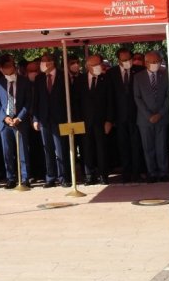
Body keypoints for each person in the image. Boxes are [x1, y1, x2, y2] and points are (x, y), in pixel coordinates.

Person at [73, 54, 113, 185]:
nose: (98, 67)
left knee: (102, 149)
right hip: (84, 121)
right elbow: (76, 102)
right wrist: (78, 120)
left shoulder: (106, 79)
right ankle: (89, 175)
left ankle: (103, 175)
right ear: (88, 66)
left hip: (101, 121)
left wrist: (109, 120)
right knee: (86, 148)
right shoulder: (80, 80)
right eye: (94, 65)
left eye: (99, 64)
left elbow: (110, 101)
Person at [106, 48, 145, 183]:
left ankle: (137, 172)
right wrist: (110, 118)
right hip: (120, 116)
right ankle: (126, 173)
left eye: (129, 59)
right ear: (118, 60)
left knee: (136, 144)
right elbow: (110, 97)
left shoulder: (139, 71)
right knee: (123, 145)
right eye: (124, 60)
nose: (127, 61)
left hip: (137, 114)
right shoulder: (111, 73)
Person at [0, 59, 32, 188]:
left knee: (23, 151)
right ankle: (10, 178)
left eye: (8, 67)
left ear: (14, 67)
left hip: (20, 121)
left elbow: (28, 101)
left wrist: (19, 117)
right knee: (7, 152)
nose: (6, 70)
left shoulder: (24, 81)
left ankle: (25, 178)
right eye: (4, 68)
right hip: (5, 123)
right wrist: (4, 117)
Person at [133, 51, 169, 183]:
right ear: (146, 63)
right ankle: (152, 173)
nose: (156, 64)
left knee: (161, 146)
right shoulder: (138, 77)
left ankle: (163, 172)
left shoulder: (165, 75)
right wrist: (149, 115)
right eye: (153, 62)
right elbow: (137, 98)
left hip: (162, 117)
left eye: (158, 61)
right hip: (145, 119)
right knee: (148, 147)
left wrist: (160, 113)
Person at [32, 54, 68, 188]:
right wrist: (35, 118)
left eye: (44, 61)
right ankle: (50, 177)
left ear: (52, 62)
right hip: (44, 119)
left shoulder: (63, 76)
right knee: (47, 149)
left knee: (61, 148)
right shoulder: (39, 78)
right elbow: (35, 100)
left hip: (60, 118)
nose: (42, 64)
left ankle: (63, 177)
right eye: (41, 61)